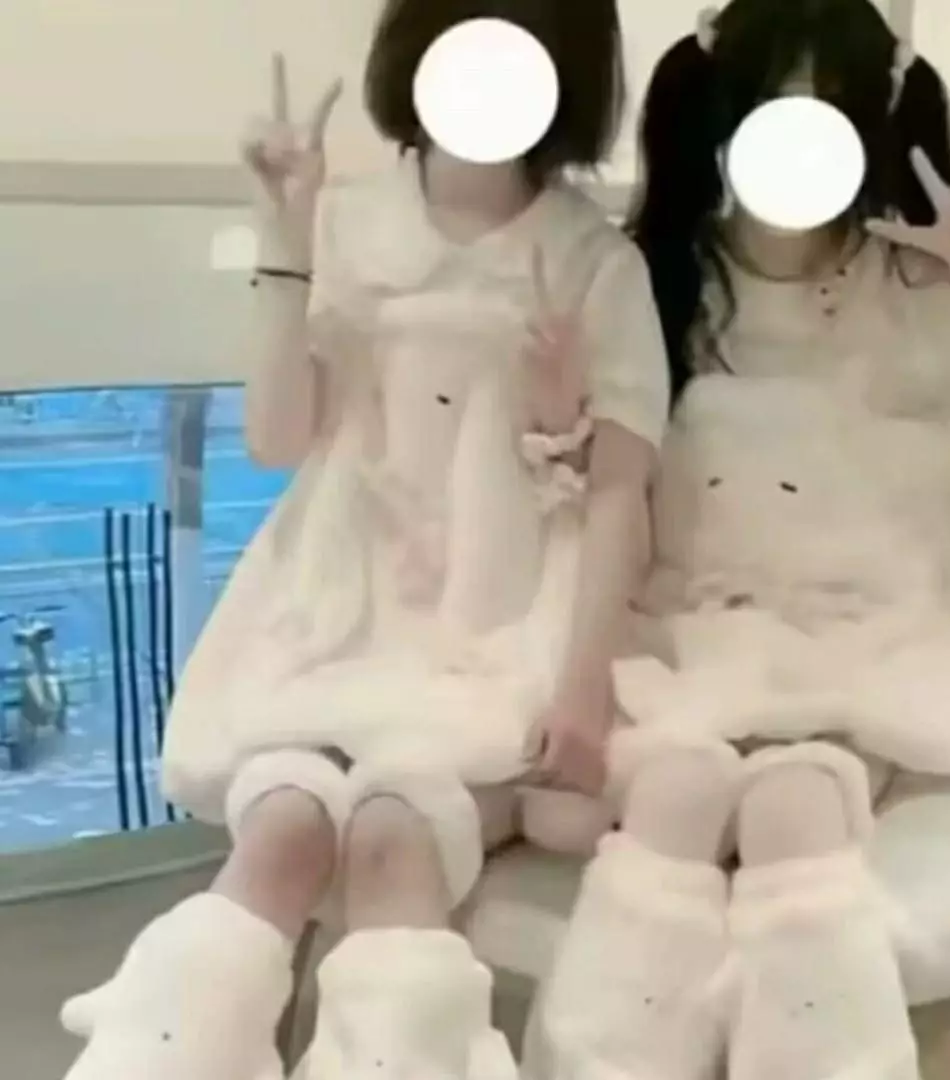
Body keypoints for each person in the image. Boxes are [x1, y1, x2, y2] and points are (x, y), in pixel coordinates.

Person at [56, 3, 670, 1078]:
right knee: (281, 832)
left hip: (498, 631)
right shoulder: (346, 223)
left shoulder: (592, 260)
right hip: (338, 612)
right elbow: (275, 438)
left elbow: (620, 492)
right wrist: (286, 238)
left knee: (395, 838)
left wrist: (582, 692)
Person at [524, 2, 950, 1079]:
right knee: (678, 809)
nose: (800, 131)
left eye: (830, 104)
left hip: (874, 650)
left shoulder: (915, 290)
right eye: (775, 101)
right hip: (690, 648)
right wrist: (554, 423)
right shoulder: (655, 281)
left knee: (799, 808)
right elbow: (588, 488)